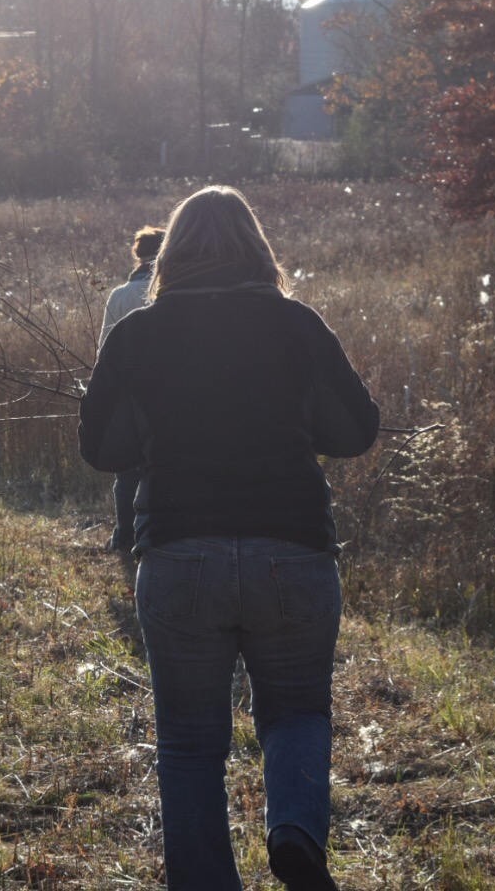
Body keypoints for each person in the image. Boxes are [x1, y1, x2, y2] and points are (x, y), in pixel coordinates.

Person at [78, 186, 379, 891]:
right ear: (257, 246)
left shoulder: (138, 333)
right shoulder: (297, 325)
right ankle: (295, 831)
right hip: (293, 546)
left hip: (180, 549)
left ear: (171, 252)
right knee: (299, 709)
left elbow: (103, 449)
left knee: (188, 743)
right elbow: (355, 432)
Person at [98, 225, 164, 554]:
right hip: (165, 396)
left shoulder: (120, 296)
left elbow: (104, 352)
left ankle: (125, 537)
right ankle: (153, 536)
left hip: (126, 396)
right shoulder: (166, 294)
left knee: (127, 472)